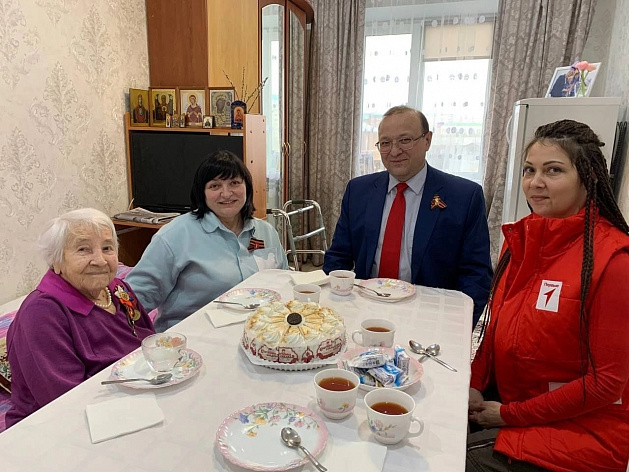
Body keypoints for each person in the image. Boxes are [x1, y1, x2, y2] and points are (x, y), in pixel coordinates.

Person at [467, 120, 629, 471]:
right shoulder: (522, 240)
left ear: (589, 177)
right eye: (529, 170)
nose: (535, 182)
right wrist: (475, 382)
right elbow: (495, 327)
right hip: (517, 401)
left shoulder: (613, 261)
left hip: (582, 429)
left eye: (553, 170)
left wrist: (509, 415)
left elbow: (605, 384)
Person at [323, 105, 492, 324]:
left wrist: (457, 324)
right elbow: (338, 257)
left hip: (430, 315)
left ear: (427, 140)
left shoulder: (464, 196)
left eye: (405, 140)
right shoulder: (358, 191)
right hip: (365, 309)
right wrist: (337, 307)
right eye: (386, 143)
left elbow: (476, 274)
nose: (394, 151)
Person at [6, 209, 155, 427]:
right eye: (83, 249)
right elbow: (66, 402)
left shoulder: (117, 288)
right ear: (56, 261)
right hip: (66, 424)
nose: (100, 260)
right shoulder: (42, 313)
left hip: (138, 395)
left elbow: (149, 342)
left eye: (107, 248)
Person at [126, 150, 289, 332]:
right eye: (215, 186)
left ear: (247, 187)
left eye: (234, 183)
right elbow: (135, 297)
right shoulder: (174, 236)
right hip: (191, 337)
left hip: (260, 334)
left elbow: (283, 282)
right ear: (201, 192)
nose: (226, 193)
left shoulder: (266, 231)